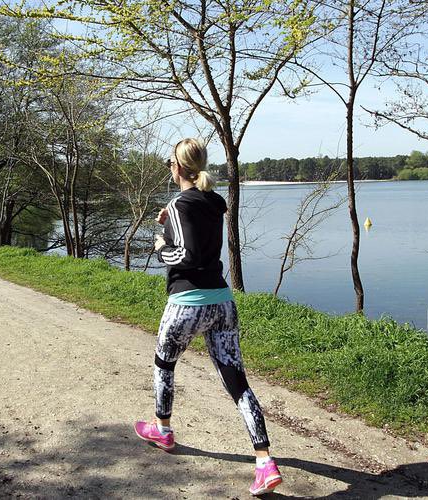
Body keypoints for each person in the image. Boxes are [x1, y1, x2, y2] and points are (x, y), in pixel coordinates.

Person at [133, 138, 282, 496]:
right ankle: (264, 462)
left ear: (177, 167)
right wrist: (170, 221)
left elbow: (185, 253)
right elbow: (198, 223)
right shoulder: (215, 202)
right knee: (237, 381)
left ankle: (163, 430)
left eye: (170, 162)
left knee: (163, 365)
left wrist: (159, 248)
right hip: (222, 302)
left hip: (188, 301)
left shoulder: (180, 202)